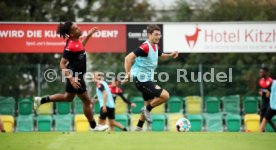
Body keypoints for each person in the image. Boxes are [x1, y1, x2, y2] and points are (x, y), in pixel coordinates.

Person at [34, 21, 98, 130]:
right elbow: (62, 64)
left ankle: (41, 100)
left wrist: (88, 36)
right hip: (75, 76)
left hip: (76, 75)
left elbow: (81, 47)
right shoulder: (70, 46)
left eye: (78, 26)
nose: (79, 28)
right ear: (72, 34)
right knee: (87, 101)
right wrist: (72, 79)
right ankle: (94, 126)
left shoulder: (76, 42)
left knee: (67, 97)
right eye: (76, 28)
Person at [123, 24, 178, 131]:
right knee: (165, 96)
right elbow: (128, 58)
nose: (158, 37)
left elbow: (162, 55)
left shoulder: (156, 46)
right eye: (156, 34)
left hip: (147, 80)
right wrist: (128, 73)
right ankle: (146, 109)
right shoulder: (145, 47)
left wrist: (171, 54)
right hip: (141, 80)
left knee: (148, 103)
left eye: (159, 35)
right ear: (149, 35)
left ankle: (138, 128)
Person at [258, 65, 276, 132]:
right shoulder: (260, 81)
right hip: (264, 101)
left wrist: (266, 93)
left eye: (261, 72)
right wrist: (260, 92)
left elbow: (269, 94)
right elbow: (260, 90)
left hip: (271, 101)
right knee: (264, 117)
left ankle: (261, 131)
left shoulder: (271, 81)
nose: (260, 73)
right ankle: (262, 131)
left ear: (266, 72)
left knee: (265, 117)